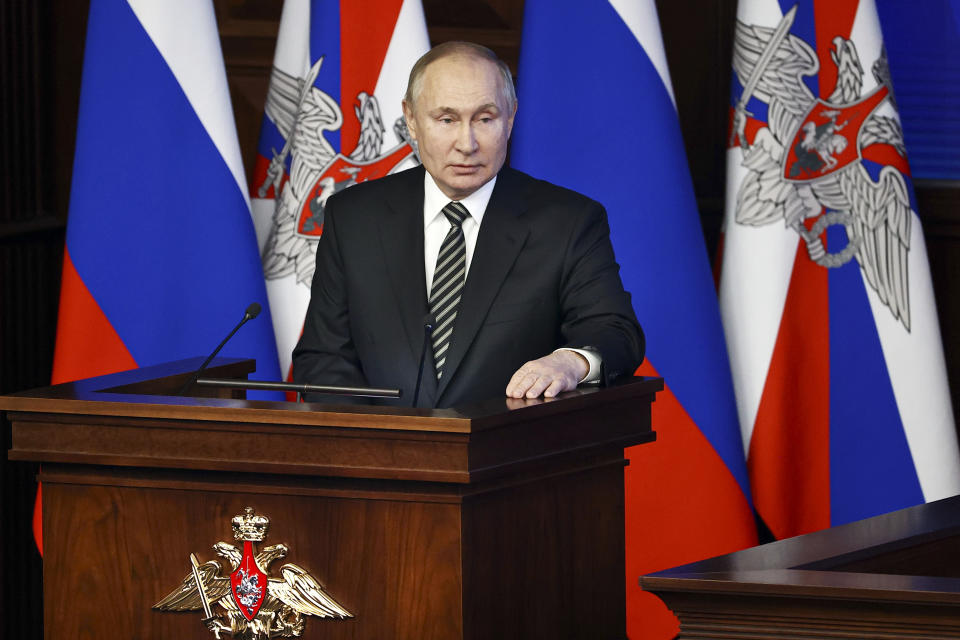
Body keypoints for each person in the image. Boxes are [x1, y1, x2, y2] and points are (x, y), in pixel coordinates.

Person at [292, 42, 643, 408]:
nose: (467, 143)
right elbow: (322, 358)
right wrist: (379, 448)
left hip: (510, 455)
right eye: (446, 119)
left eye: (485, 118)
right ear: (410, 119)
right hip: (378, 456)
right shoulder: (353, 217)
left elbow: (617, 334)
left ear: (511, 117)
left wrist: (570, 361)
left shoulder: (569, 221)